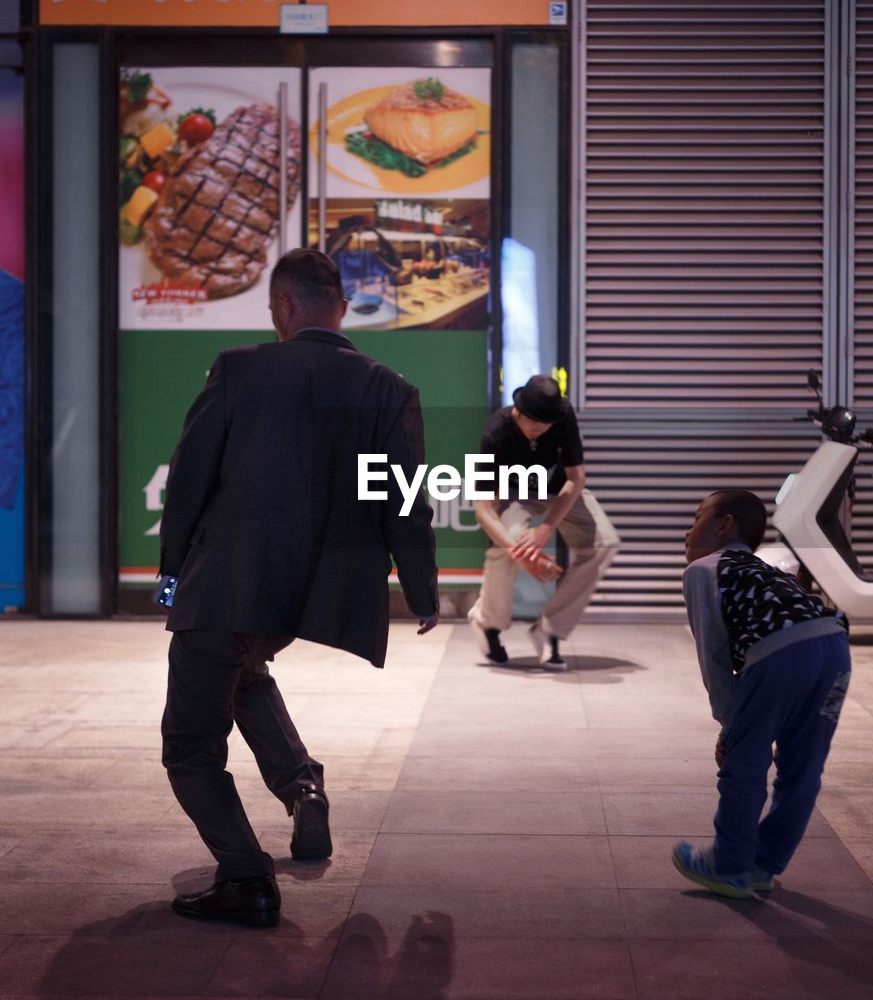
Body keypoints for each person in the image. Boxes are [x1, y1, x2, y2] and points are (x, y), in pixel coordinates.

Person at [158, 248, 438, 928]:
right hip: (302, 596)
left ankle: (246, 879)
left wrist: (171, 574)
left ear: (283, 307)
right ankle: (301, 785)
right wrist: (424, 593)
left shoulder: (238, 370)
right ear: (341, 307)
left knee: (190, 748)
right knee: (244, 671)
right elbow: (405, 502)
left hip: (225, 585)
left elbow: (190, 479)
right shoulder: (387, 387)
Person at [674, 489, 851, 899]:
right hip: (835, 648)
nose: (687, 532)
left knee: (745, 761)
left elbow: (714, 656)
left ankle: (730, 864)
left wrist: (729, 725)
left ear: (723, 524)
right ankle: (764, 864)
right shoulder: (766, 570)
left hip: (777, 650)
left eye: (696, 517)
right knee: (803, 767)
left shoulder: (705, 568)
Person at [467, 374, 620, 671]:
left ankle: (549, 629)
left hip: (560, 491)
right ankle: (488, 622)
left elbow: (577, 478)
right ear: (518, 411)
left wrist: (546, 528)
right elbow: (483, 510)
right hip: (516, 493)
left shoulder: (563, 415)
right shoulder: (495, 433)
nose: (539, 428)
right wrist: (524, 553)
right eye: (533, 422)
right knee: (507, 543)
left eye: (546, 423)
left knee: (606, 542)